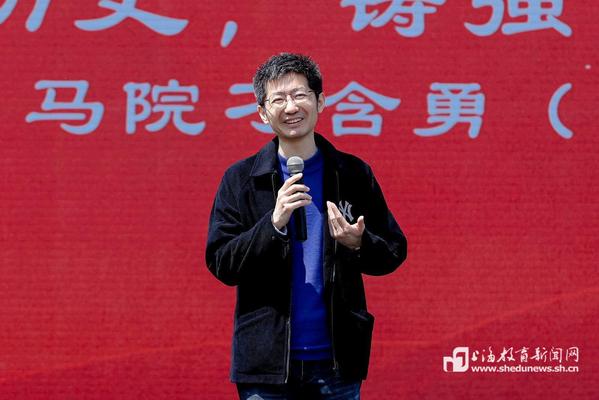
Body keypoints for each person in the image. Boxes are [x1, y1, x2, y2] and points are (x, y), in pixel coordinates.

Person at [205, 53, 407, 399]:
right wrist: (272, 224)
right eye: (278, 99)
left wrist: (359, 243)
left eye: (300, 95)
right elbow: (222, 262)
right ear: (262, 112)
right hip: (267, 365)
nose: (291, 107)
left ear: (320, 101)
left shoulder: (352, 174)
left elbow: (393, 251)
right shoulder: (241, 180)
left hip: (336, 362)